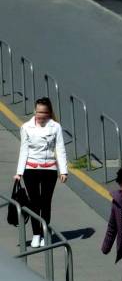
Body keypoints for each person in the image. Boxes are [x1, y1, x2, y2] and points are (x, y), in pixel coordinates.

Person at [14, 97, 68, 247]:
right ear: (34, 111)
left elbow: (60, 149)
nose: (40, 114)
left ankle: (44, 233)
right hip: (30, 169)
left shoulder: (55, 127)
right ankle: (36, 234)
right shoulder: (26, 127)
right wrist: (19, 172)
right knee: (34, 203)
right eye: (38, 111)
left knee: (46, 202)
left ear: (49, 112)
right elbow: (24, 149)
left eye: (43, 112)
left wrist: (63, 171)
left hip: (49, 169)